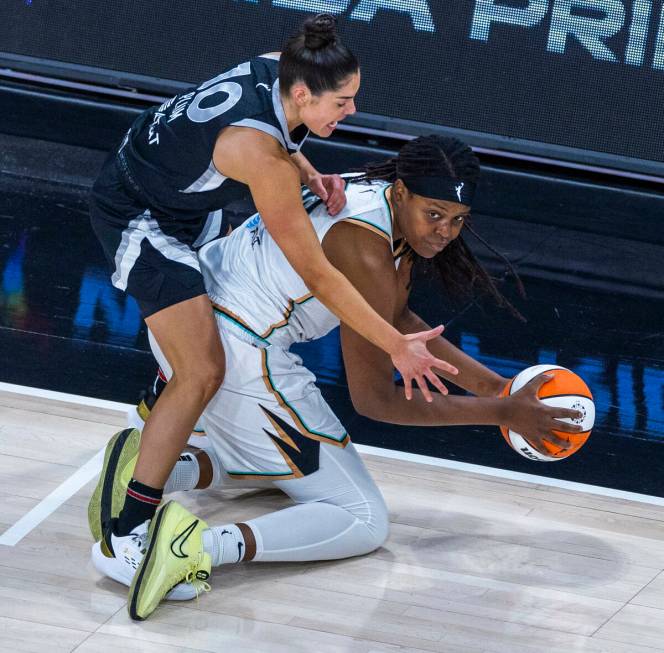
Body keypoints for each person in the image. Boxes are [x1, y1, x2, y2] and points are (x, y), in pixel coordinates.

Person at [90, 135, 584, 620]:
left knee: (285, 472)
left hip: (190, 315)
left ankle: (158, 468)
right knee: (362, 519)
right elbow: (375, 400)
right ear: (403, 192)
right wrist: (503, 413)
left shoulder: (372, 196)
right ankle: (193, 547)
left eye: (458, 220)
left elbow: (391, 316)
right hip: (234, 348)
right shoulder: (364, 247)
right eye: (434, 215)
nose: (445, 232)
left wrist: (494, 387)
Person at [87, 14, 457, 552]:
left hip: (178, 189)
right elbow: (317, 274)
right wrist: (394, 343)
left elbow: (269, 130)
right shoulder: (262, 159)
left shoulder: (278, 65)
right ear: (304, 93)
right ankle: (129, 529)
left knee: (215, 302)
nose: (352, 110)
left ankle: (155, 419)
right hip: (138, 214)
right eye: (342, 103)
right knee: (202, 370)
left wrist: (307, 170)